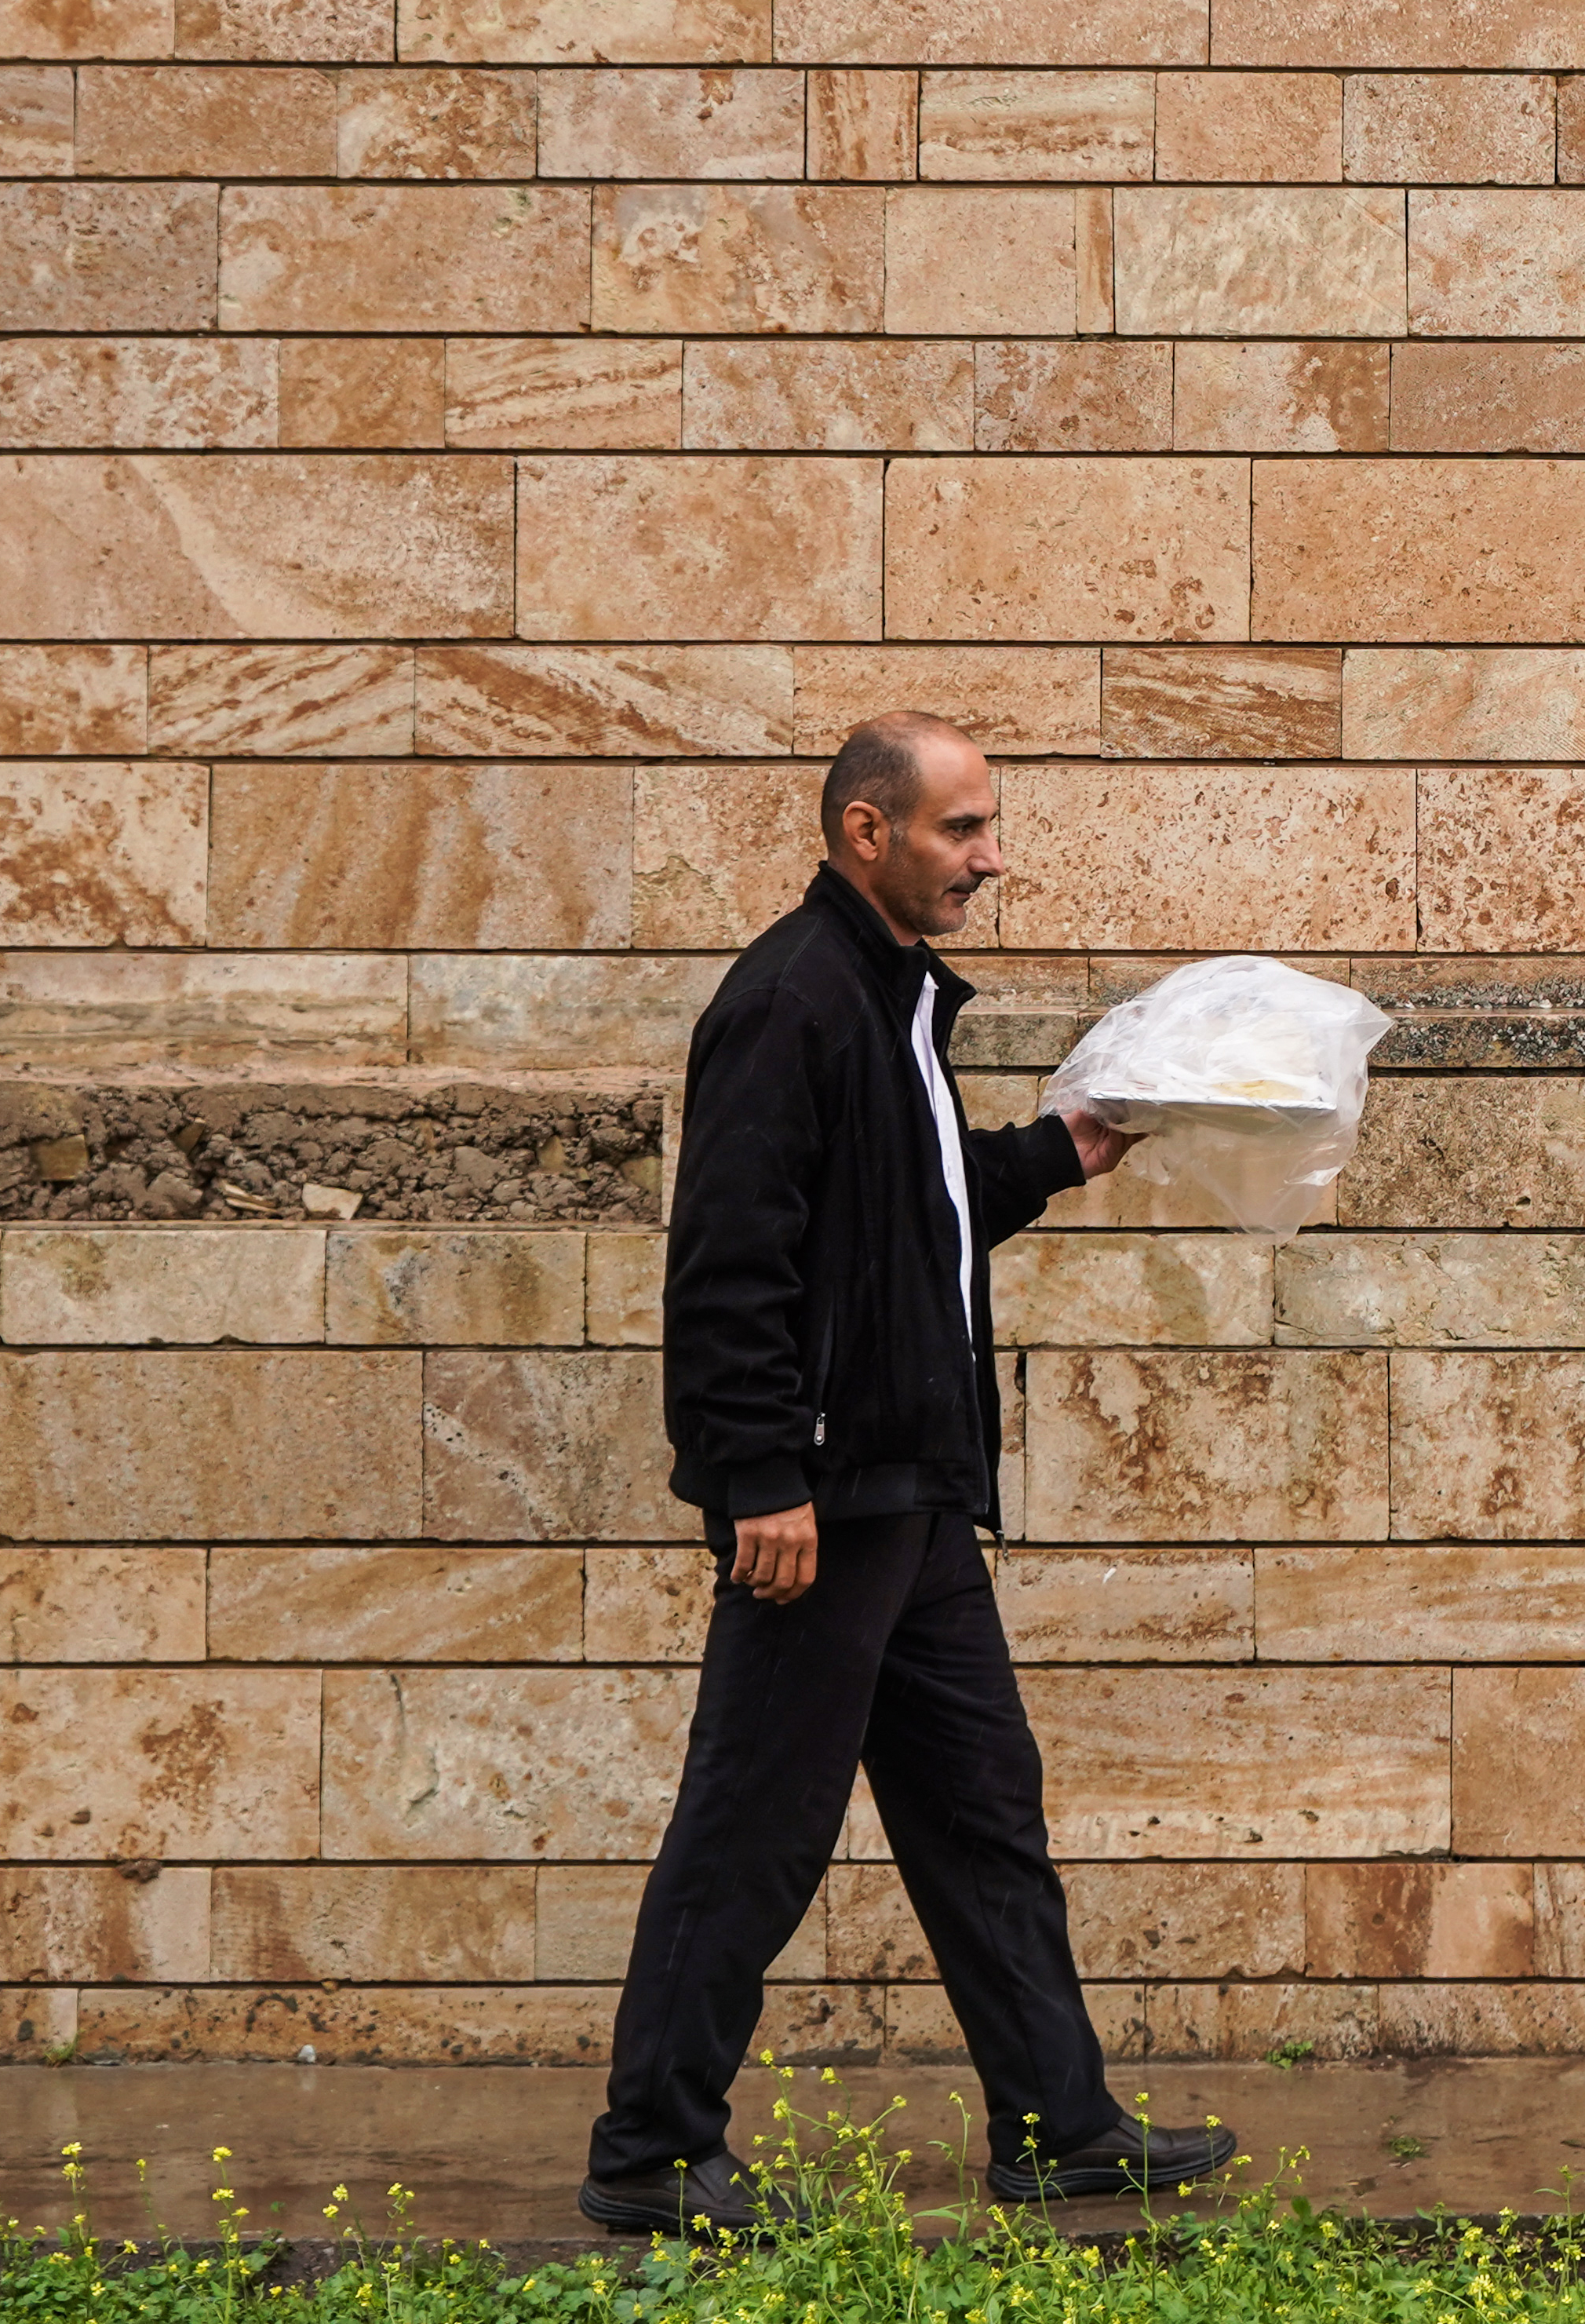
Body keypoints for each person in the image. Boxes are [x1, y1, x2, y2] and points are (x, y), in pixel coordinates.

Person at [578, 711, 1239, 2231]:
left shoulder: (889, 998)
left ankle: (1059, 2125)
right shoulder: (792, 999)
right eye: (962, 828)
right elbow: (727, 1266)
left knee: (981, 1807)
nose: (990, 858)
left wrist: (1059, 1149)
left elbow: (906, 1216)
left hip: (912, 1494)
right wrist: (761, 1474)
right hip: (826, 1497)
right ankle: (650, 2154)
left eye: (989, 826)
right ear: (865, 831)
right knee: (752, 1827)